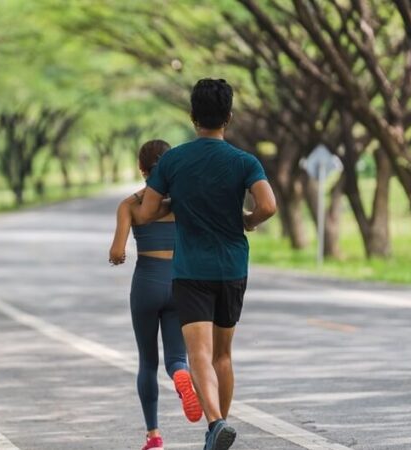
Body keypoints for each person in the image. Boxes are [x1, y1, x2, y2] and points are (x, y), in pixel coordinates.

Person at [133, 79, 277, 450]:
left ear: (192, 116)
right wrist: (247, 220)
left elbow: (147, 212)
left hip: (191, 271)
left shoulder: (174, 160)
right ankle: (218, 429)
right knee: (223, 354)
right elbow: (268, 205)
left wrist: (173, 202)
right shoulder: (244, 161)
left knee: (197, 353)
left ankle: (215, 424)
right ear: (228, 117)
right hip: (232, 267)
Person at [109, 140, 203, 450]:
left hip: (147, 283)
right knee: (177, 358)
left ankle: (154, 437)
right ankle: (181, 377)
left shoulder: (130, 206)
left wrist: (117, 255)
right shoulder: (183, 201)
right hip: (178, 282)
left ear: (141, 169)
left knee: (147, 362)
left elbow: (118, 252)